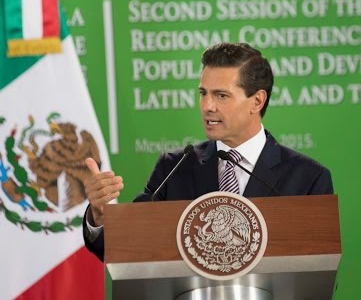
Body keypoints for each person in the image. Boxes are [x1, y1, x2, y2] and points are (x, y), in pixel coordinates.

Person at [82, 42, 333, 261]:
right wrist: (101, 215)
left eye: (221, 95)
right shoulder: (174, 168)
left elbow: (319, 269)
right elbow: (127, 250)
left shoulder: (307, 179)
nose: (207, 106)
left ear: (257, 101)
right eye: (203, 93)